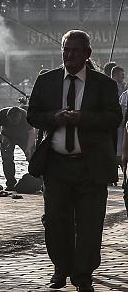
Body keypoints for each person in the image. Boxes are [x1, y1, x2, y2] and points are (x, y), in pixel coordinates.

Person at [27, 30, 120, 292]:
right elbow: (33, 115)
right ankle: (60, 269)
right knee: (56, 220)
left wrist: (83, 119)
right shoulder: (47, 81)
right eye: (65, 50)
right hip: (56, 165)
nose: (69, 55)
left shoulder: (104, 84)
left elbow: (114, 118)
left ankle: (83, 276)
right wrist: (55, 117)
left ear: (87, 54)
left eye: (75, 50)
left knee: (90, 224)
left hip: (91, 166)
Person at [0, 106, 34, 189]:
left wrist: (29, 148)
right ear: (7, 117)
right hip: (7, 137)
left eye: (17, 121)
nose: (15, 123)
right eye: (12, 121)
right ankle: (10, 183)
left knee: (33, 157)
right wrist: (1, 137)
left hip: (24, 137)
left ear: (20, 116)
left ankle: (38, 181)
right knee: (7, 159)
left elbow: (32, 133)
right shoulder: (1, 115)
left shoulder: (26, 116)